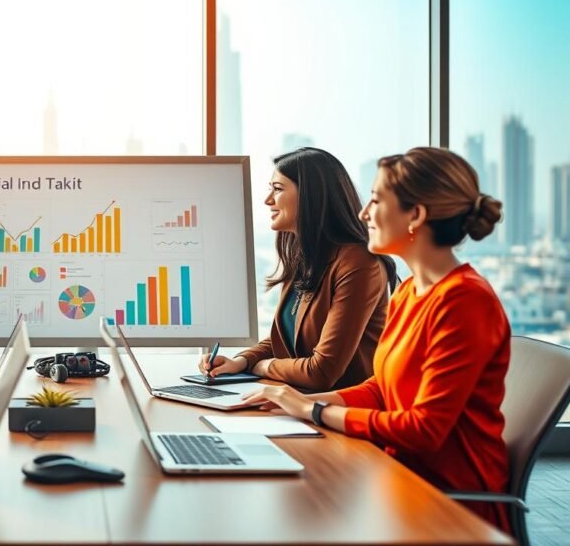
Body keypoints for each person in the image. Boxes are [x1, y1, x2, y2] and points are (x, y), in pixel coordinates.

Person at [239, 147, 510, 531]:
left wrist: (313, 412)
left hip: (448, 504)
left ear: (415, 215)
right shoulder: (410, 291)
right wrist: (301, 402)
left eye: (377, 200)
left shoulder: (466, 301)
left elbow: (425, 429)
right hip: (392, 476)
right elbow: (382, 389)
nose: (364, 213)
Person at [200, 148, 396, 391]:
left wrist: (263, 367)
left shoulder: (359, 264)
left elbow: (321, 371)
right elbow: (284, 340)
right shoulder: (306, 256)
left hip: (340, 412)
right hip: (298, 401)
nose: (268, 199)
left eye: (278, 189)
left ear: (310, 196)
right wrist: (241, 361)